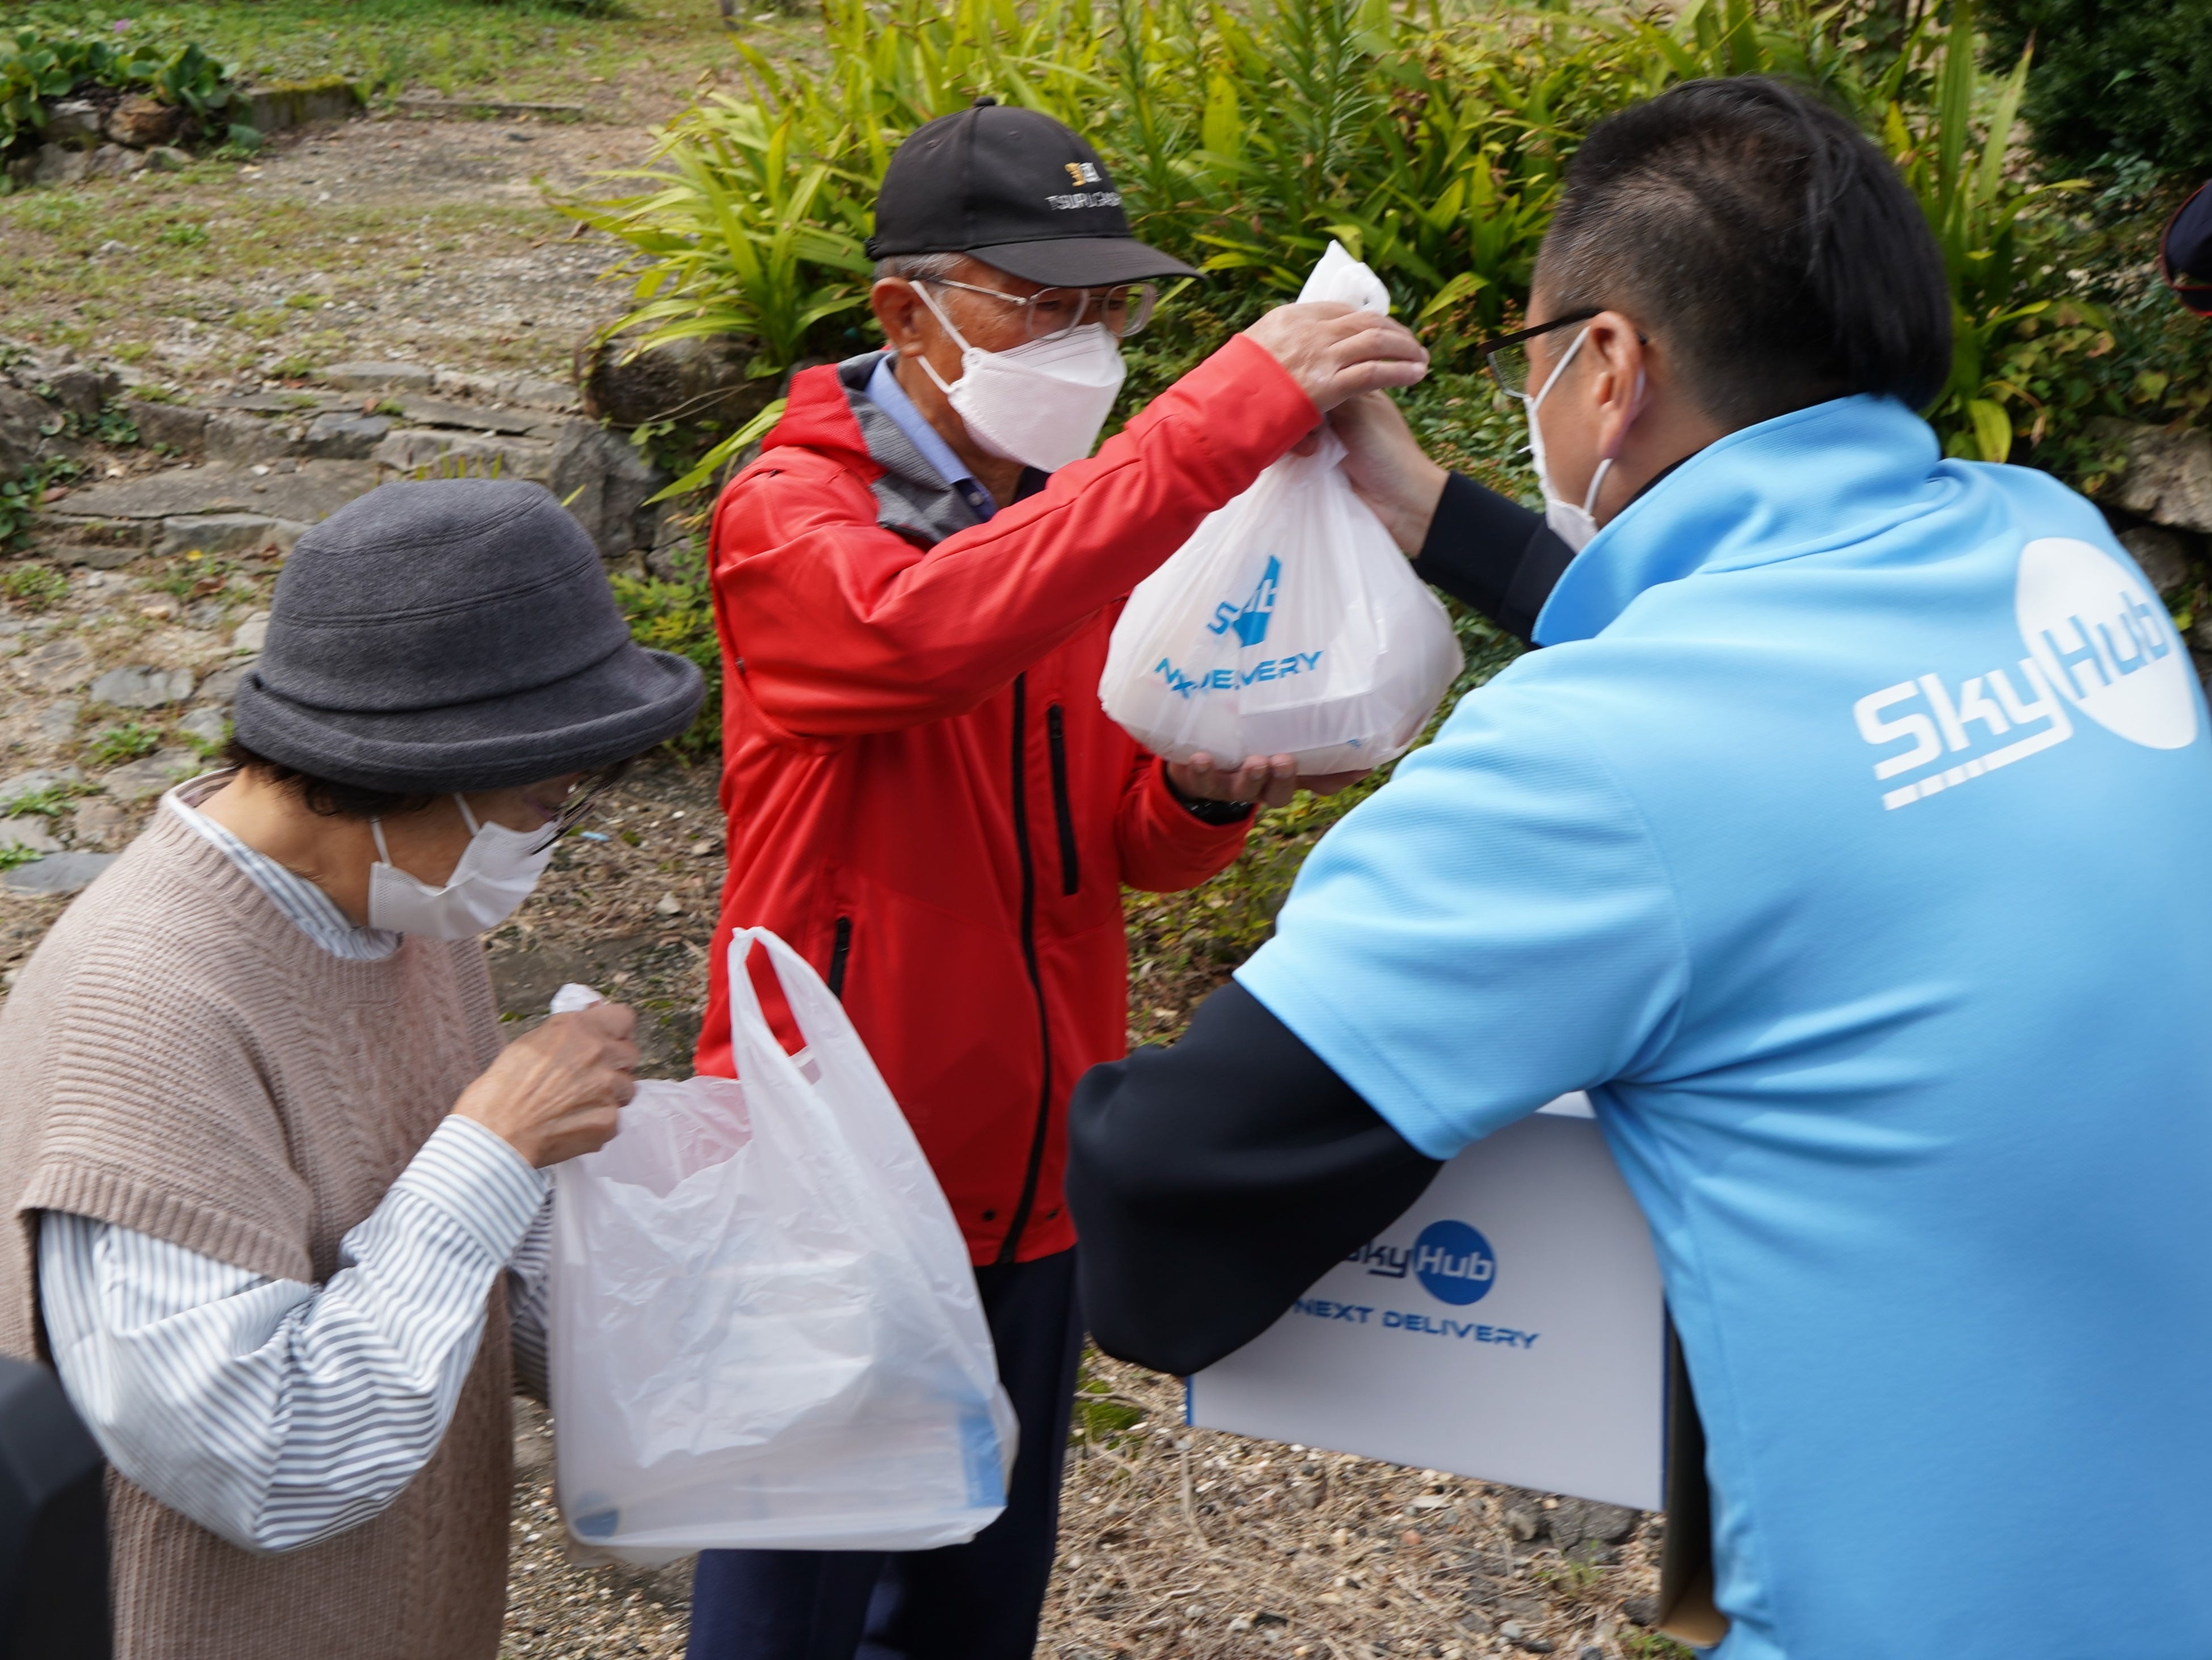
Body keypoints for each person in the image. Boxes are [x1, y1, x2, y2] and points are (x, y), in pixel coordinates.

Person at [1066, 77, 2212, 1660]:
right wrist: (1423, 510)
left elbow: (1160, 1219)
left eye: (1531, 355)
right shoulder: (2054, 558)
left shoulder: (1596, 756)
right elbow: (1746, 667)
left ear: (1605, 363)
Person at [689, 98, 1429, 1660]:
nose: (1087, 343)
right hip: (833, 1170)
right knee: (787, 1614)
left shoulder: (1060, 521)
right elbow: (910, 637)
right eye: (1044, 303)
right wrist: (1213, 421)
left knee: (969, 1601)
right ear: (907, 311)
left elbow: (1123, 850)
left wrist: (1201, 786)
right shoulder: (790, 514)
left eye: (1112, 307)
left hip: (1032, 1180)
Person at [0, 478, 703, 1660]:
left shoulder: (400, 909)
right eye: (545, 796)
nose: (554, 826)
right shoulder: (150, 1005)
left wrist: (692, 1306)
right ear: (412, 761)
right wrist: (493, 1149)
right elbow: (268, 1456)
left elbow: (443, 1263)